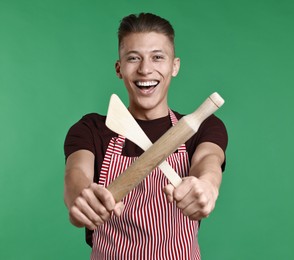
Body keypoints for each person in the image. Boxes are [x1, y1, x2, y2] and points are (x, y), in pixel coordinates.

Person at [64, 13, 228, 259]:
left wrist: (207, 186)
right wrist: (82, 197)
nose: (145, 69)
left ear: (175, 66)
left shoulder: (203, 128)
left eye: (157, 57)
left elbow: (209, 162)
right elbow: (76, 174)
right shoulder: (93, 129)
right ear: (119, 69)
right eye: (133, 58)